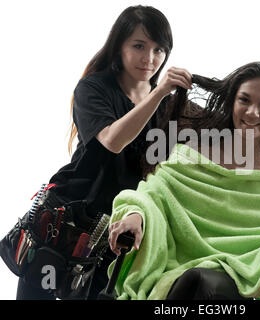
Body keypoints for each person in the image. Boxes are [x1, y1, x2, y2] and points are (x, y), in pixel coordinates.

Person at [16, 5, 192, 300]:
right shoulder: (94, 88)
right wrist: (158, 93)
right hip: (72, 215)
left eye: (159, 49)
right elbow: (112, 140)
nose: (150, 59)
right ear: (118, 46)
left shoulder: (171, 107)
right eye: (139, 46)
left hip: (122, 225)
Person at [107, 61, 260, 300]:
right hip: (178, 272)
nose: (252, 112)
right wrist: (137, 214)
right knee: (196, 280)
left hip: (251, 277)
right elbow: (153, 196)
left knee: (199, 282)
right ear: (232, 102)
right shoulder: (192, 151)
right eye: (244, 100)